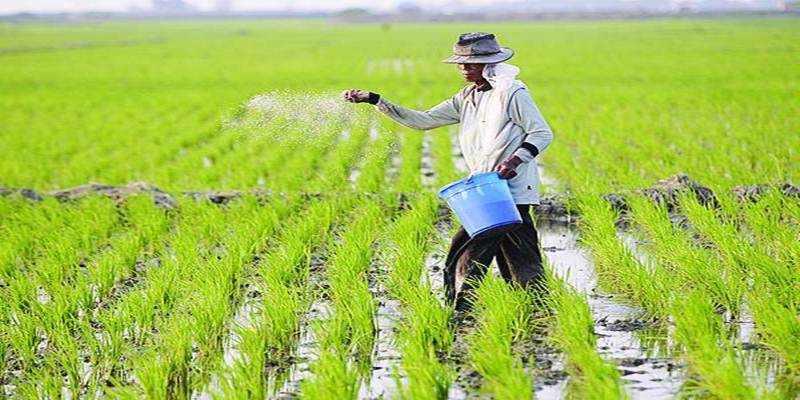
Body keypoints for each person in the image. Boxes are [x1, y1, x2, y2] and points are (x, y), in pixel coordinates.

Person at [343, 32, 554, 311]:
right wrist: (375, 99)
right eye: (461, 64)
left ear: (490, 63)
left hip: (510, 190)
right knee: (517, 254)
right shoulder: (466, 97)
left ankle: (462, 308)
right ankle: (535, 306)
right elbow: (424, 120)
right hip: (486, 188)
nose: (464, 69)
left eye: (471, 64)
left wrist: (515, 161)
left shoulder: (512, 93)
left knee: (470, 251)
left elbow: (541, 132)